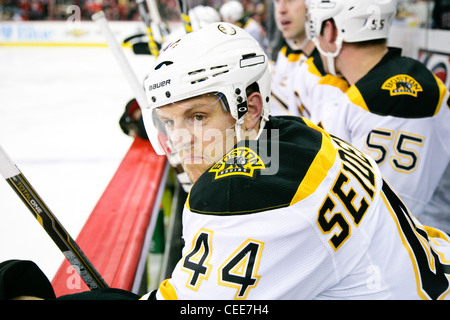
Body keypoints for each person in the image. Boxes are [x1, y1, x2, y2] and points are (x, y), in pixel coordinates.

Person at [135, 22, 450, 299]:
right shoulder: (298, 136)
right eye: (169, 122)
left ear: (252, 109)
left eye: (198, 116)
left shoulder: (245, 196)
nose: (180, 139)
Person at [303, 0, 450, 234]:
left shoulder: (390, 96)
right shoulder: (364, 85)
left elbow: (389, 221)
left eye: (315, 27)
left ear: (330, 30)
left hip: (421, 258)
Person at [269, 0, 348, 117]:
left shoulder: (330, 69)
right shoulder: (288, 55)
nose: (281, 10)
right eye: (277, 1)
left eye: (290, 1)